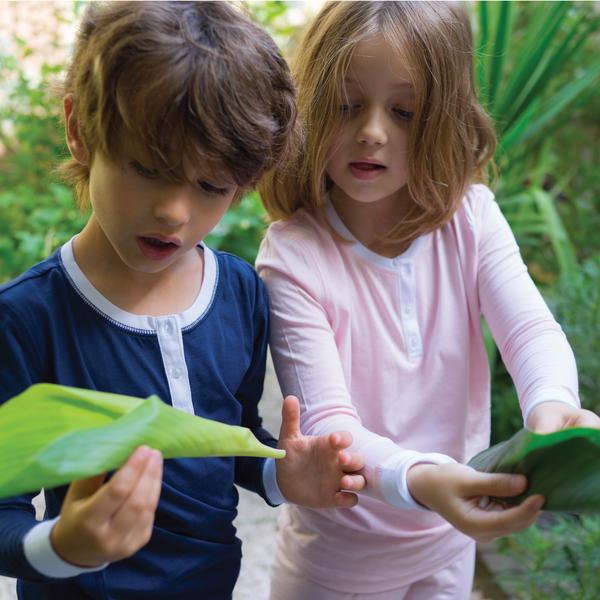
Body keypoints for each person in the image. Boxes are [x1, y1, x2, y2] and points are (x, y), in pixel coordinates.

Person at [0, 2, 365, 599]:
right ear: (78, 128)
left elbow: (231, 437)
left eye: (211, 186)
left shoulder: (240, 294)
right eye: (148, 167)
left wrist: (282, 472)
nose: (174, 211)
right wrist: (63, 546)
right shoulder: (26, 318)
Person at [256, 2, 600, 599]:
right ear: (309, 109)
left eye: (405, 111)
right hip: (338, 569)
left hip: (446, 546)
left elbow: (531, 333)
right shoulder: (293, 256)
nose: (371, 130)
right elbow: (331, 428)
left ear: (443, 118)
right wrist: (426, 480)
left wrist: (551, 409)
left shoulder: (473, 219)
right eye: (346, 104)